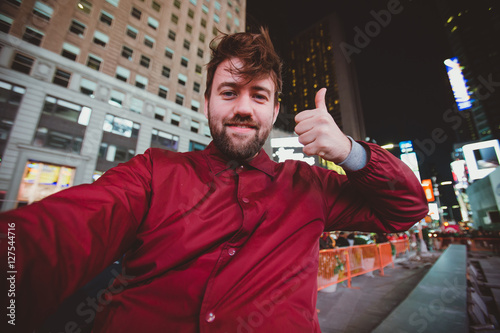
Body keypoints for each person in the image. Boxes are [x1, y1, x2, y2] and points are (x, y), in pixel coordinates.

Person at [0, 28, 428, 333]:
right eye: (228, 92)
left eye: (258, 95)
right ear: (207, 102)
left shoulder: (310, 186)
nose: (243, 107)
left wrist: (349, 151)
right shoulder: (154, 171)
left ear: (274, 111)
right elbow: (61, 232)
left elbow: (407, 208)